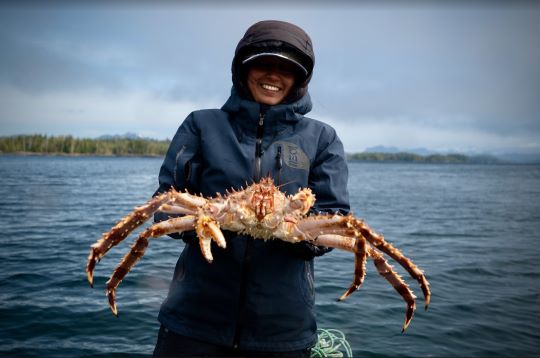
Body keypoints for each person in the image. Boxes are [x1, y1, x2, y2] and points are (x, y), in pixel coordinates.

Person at [152, 20, 350, 357]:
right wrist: (206, 222)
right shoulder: (201, 124)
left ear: (300, 79)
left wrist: (300, 234)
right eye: (263, 63)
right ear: (242, 68)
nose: (273, 75)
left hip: (282, 328)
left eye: (286, 69)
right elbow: (162, 205)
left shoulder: (322, 138)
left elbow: (338, 217)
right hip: (193, 320)